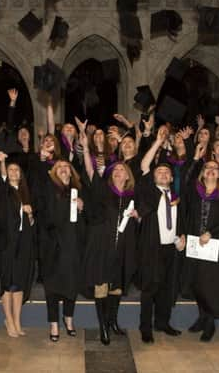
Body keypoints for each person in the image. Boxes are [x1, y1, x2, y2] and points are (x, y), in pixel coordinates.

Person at [79, 129, 138, 345]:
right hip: (101, 247)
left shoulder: (133, 196)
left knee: (117, 287)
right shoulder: (104, 192)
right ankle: (103, 325)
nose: (118, 173)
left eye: (122, 170)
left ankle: (113, 321)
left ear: (127, 175)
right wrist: (86, 147)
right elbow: (90, 171)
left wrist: (137, 214)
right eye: (115, 171)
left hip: (122, 249)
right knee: (101, 286)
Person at [135, 128, 187, 344]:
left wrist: (181, 237)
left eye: (167, 173)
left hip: (171, 248)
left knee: (167, 288)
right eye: (160, 173)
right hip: (151, 248)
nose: (164, 175)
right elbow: (144, 166)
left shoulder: (175, 197)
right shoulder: (149, 191)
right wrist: (157, 142)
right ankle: (145, 327)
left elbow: (178, 223)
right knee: (150, 289)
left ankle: (162, 322)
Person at [182, 155, 219, 342]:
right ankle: (202, 317)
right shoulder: (194, 193)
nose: (211, 170)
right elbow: (186, 215)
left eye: (215, 168)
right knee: (198, 282)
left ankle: (210, 322)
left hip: (216, 244)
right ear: (203, 174)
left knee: (212, 284)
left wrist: (211, 232)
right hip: (196, 245)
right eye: (207, 168)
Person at [36, 159, 85, 342]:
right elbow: (48, 217)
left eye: (67, 167)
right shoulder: (49, 189)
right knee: (53, 287)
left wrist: (81, 208)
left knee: (71, 284)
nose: (64, 170)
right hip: (53, 246)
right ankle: (54, 323)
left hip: (73, 245)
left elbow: (83, 223)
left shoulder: (78, 191)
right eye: (59, 168)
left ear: (72, 172)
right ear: (54, 173)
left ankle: (69, 318)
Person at [0, 152, 37, 337]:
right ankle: (8, 320)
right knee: (8, 283)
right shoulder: (3, 192)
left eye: (16, 170)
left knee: (19, 283)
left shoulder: (26, 192)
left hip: (23, 243)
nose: (13, 172)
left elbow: (32, 221)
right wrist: (2, 162)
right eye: (10, 170)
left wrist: (29, 215)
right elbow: (5, 210)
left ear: (21, 174)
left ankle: (17, 321)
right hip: (7, 244)